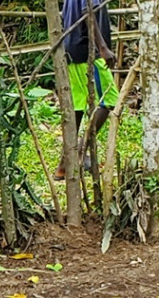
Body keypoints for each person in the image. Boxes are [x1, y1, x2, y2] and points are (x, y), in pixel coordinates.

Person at [56, 0, 119, 178]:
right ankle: (80, 151)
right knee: (109, 100)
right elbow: (88, 12)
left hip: (71, 50)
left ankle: (64, 163)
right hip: (87, 51)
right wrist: (103, 47)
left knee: (77, 107)